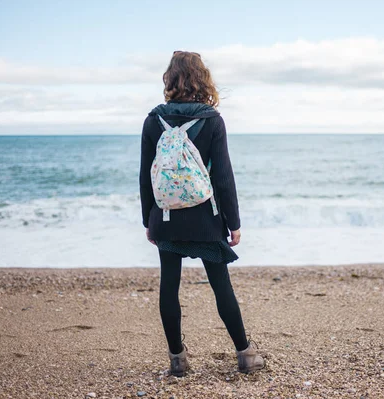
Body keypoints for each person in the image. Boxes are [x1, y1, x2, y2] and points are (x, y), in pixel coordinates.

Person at [139, 51, 265, 377]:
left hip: (166, 217)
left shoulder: (154, 120)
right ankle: (246, 355)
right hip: (206, 220)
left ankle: (177, 360)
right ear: (202, 78)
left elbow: (145, 177)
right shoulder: (211, 120)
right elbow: (223, 176)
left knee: (169, 286)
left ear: (170, 78)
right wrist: (233, 224)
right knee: (220, 285)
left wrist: (148, 222)